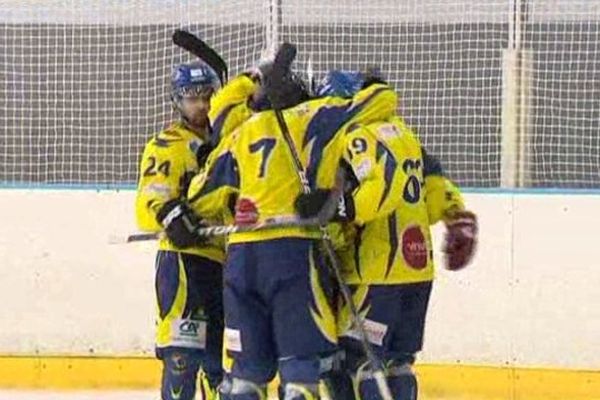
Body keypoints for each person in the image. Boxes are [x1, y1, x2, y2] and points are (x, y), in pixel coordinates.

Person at [134, 61, 224, 400]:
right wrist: (172, 216)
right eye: (191, 98)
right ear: (177, 101)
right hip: (183, 261)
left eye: (206, 96)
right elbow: (149, 202)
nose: (200, 105)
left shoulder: (229, 144)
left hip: (224, 261)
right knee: (182, 358)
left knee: (220, 363)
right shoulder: (167, 144)